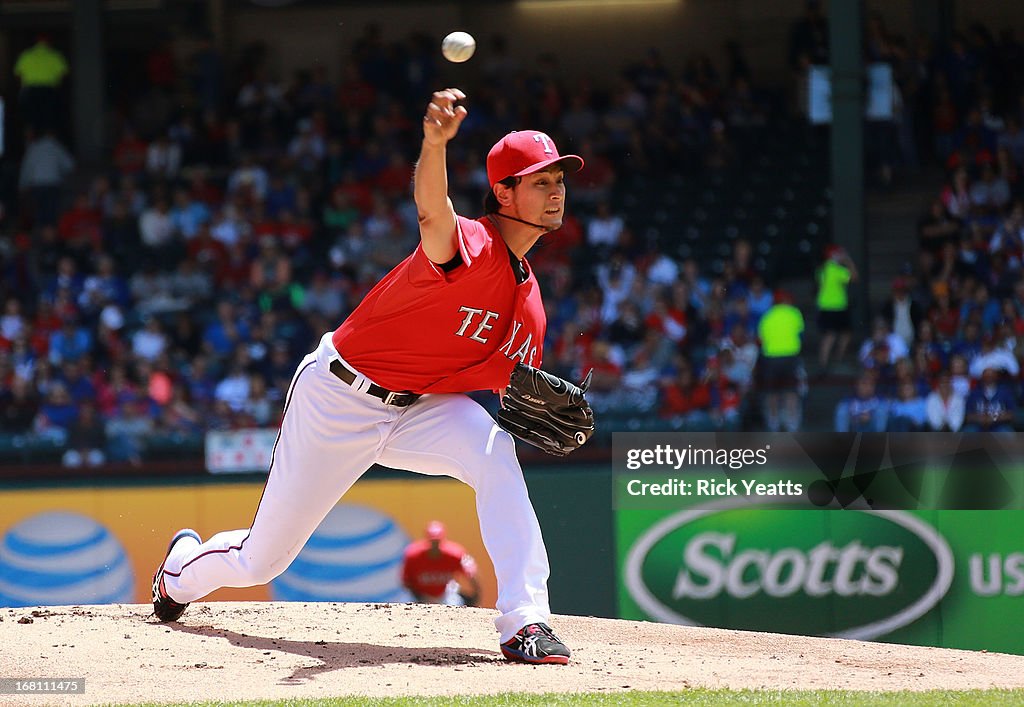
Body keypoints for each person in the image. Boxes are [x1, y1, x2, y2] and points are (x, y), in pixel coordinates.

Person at [151, 88, 581, 665]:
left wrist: (528, 399)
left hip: (419, 410)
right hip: (339, 395)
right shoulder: (472, 244)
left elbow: (506, 382)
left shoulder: (531, 305)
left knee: (494, 453)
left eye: (558, 180)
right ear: (503, 192)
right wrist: (433, 146)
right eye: (539, 181)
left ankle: (525, 622)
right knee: (263, 561)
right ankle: (179, 572)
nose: (555, 191)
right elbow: (433, 212)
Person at [757, 290, 805, 432]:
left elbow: (761, 339)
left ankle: (773, 423)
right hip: (790, 357)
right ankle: (792, 423)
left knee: (772, 392)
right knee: (791, 391)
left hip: (771, 358)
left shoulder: (766, 316)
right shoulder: (794, 313)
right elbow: (800, 334)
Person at [402, 521, 481, 607]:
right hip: (421, 597)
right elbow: (406, 581)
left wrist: (476, 596)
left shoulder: (455, 554)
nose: (434, 545)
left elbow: (472, 575)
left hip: (446, 596)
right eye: (432, 542)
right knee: (405, 602)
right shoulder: (413, 555)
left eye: (437, 542)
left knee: (455, 602)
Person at [814, 245, 857, 373]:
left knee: (831, 335)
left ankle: (823, 364)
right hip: (836, 307)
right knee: (837, 335)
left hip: (824, 307)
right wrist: (848, 261)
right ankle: (837, 360)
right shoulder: (836, 269)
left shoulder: (821, 269)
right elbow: (855, 277)